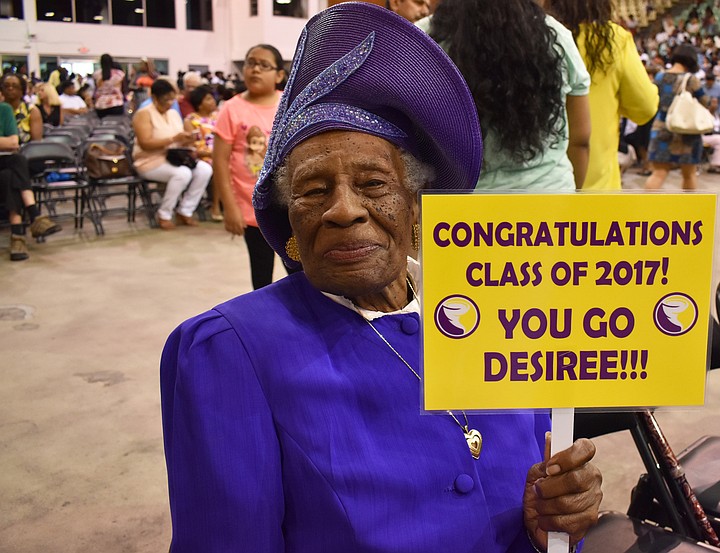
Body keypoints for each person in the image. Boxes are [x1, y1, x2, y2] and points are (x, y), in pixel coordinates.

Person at [161, 4, 602, 552]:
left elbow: (541, 503)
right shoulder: (227, 352)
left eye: (373, 183)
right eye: (313, 190)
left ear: (416, 207)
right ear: (289, 220)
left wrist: (550, 527)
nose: (343, 209)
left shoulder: (497, 312)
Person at [419, 0, 591, 191]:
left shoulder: (421, 38)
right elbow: (581, 140)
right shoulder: (557, 37)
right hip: (549, 200)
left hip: (458, 209)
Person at [546, 0, 658, 190]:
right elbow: (645, 108)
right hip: (598, 189)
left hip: (542, 187)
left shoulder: (535, 36)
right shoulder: (614, 39)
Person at [213, 44, 285, 289]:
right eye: (250, 63)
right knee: (262, 275)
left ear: (279, 75)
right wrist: (229, 207)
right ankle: (264, 322)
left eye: (264, 65)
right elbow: (220, 161)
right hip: (252, 210)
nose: (255, 69)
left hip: (288, 206)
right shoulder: (232, 109)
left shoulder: (288, 104)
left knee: (301, 271)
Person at [132, 78, 211, 229]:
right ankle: (164, 214)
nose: (169, 103)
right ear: (154, 98)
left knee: (204, 169)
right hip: (149, 160)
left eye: (171, 99)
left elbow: (179, 138)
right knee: (182, 174)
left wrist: (188, 138)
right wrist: (173, 139)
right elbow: (145, 143)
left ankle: (185, 210)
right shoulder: (144, 114)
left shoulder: (174, 113)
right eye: (165, 100)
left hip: (174, 157)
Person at [0, 102, 61, 261]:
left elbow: (14, 143)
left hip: (5, 165)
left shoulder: (4, 110)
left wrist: (7, 144)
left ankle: (18, 236)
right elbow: (10, 143)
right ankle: (34, 215)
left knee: (10, 174)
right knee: (17, 162)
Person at [645, 43, 710, 190]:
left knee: (658, 173)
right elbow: (705, 102)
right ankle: (687, 211)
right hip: (687, 132)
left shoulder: (660, 78)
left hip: (662, 128)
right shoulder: (691, 80)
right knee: (689, 175)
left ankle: (646, 210)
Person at [183, 84, 220, 220]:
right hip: (201, 156)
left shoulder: (218, 116)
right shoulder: (191, 120)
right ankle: (215, 206)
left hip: (219, 154)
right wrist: (210, 154)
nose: (213, 102)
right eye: (208, 99)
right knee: (219, 166)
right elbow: (190, 146)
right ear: (199, 104)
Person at [1, 73, 42, 143]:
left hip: (27, 151)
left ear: (22, 90)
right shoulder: (1, 109)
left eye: (15, 86)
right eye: (6, 86)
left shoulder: (32, 110)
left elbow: (36, 142)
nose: (10, 88)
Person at [93, 54, 126, 119]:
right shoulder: (119, 74)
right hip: (116, 103)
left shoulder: (96, 74)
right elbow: (123, 88)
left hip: (100, 104)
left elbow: (96, 88)